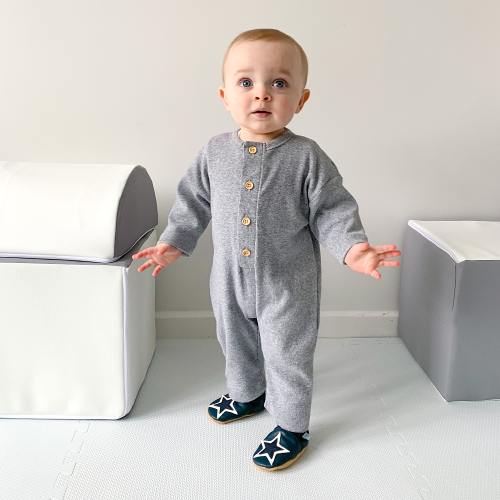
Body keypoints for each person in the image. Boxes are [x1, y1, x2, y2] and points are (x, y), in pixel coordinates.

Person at [132, 28, 401, 471]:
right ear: (224, 95)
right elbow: (192, 202)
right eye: (246, 83)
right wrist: (172, 243)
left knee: (286, 354)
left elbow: (332, 210)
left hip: (287, 282)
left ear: (301, 99)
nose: (262, 94)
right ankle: (247, 394)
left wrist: (354, 249)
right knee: (234, 342)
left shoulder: (307, 157)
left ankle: (293, 426)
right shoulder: (213, 152)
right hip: (227, 279)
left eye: (279, 83)